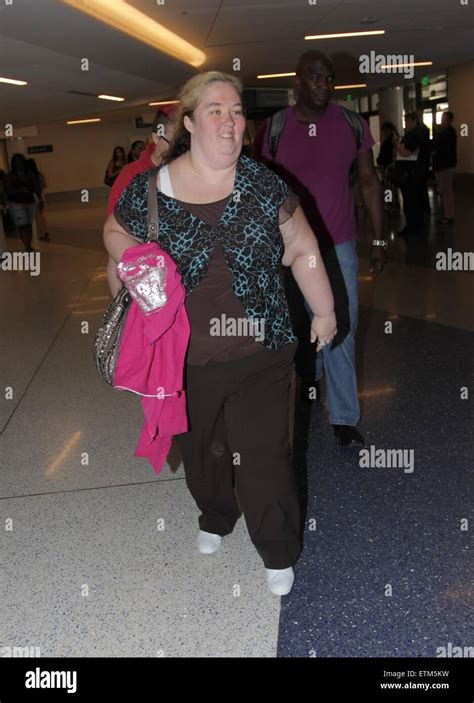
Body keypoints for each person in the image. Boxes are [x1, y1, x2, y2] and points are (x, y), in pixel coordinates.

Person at [103, 71, 337, 596]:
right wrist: (130, 259)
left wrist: (323, 311)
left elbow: (302, 246)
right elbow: (114, 231)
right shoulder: (151, 191)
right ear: (189, 122)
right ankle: (216, 512)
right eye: (215, 110)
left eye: (236, 111)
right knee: (205, 453)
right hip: (184, 360)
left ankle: (277, 548)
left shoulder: (263, 184)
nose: (230, 121)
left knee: (265, 455)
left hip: (265, 350)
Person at [253, 50, 384, 448]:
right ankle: (304, 383)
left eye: (328, 77)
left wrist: (378, 238)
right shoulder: (273, 129)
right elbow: (260, 190)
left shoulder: (352, 123)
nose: (324, 84)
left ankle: (343, 417)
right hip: (288, 246)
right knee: (295, 326)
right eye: (315, 77)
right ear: (297, 81)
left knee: (342, 325)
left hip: (338, 242)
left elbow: (368, 180)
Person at [106, 108, 176, 297]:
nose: (181, 148)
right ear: (156, 137)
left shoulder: (187, 171)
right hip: (148, 275)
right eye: (174, 141)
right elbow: (115, 234)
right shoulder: (130, 175)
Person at [395, 112, 426, 235]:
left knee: (410, 201)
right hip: (415, 172)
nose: (405, 124)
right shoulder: (418, 134)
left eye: (407, 122)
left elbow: (406, 153)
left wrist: (397, 145)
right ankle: (418, 224)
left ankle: (412, 226)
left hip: (411, 173)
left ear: (414, 121)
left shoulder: (414, 135)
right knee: (415, 200)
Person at [4, 153, 37, 252]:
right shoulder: (10, 176)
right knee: (22, 225)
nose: (19, 164)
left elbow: (35, 186)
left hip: (29, 201)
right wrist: (19, 190)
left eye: (20, 161)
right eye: (16, 162)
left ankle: (28, 246)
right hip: (16, 203)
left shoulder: (28, 173)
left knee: (29, 224)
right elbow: (7, 190)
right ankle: (27, 247)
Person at [432, 111, 457, 224]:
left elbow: (439, 147)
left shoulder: (448, 132)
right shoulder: (447, 132)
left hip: (445, 165)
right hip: (443, 165)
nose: (442, 121)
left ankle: (449, 216)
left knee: (446, 191)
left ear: (449, 120)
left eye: (444, 118)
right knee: (444, 190)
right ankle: (447, 214)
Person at [25, 157, 49, 241]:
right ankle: (45, 231)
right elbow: (44, 185)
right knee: (40, 215)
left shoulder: (29, 176)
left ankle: (42, 233)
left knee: (37, 216)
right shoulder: (39, 174)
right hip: (41, 196)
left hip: (34, 197)